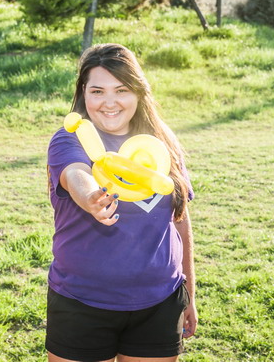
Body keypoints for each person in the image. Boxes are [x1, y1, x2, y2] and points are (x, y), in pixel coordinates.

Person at [46, 43, 198, 362]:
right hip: (82, 302)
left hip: (160, 302)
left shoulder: (161, 142)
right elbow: (76, 173)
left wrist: (190, 296)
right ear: (83, 93)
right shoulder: (69, 138)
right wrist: (91, 197)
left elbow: (180, 220)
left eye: (122, 89)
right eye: (98, 91)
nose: (110, 102)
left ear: (139, 93)